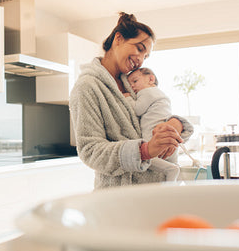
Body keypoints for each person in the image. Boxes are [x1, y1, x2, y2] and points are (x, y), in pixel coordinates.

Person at [69, 12, 193, 189]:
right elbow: (90, 151)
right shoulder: (87, 87)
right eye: (140, 49)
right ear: (118, 39)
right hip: (120, 196)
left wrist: (175, 124)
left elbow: (154, 109)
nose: (141, 60)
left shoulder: (131, 83)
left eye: (146, 56)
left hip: (156, 190)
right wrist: (144, 151)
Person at [124, 67, 180, 181]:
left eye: (135, 81)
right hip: (165, 137)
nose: (132, 87)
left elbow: (137, 109)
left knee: (145, 159)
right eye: (130, 84)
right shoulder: (160, 94)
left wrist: (128, 98)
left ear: (151, 79)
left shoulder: (148, 92)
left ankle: (173, 173)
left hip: (153, 136)